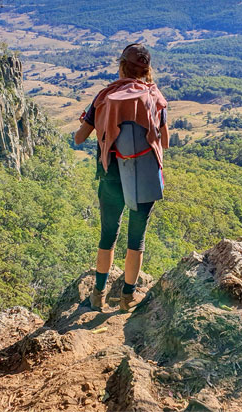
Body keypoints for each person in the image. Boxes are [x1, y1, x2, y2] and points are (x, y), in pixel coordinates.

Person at [73, 43, 169, 312]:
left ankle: (98, 294)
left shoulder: (104, 97)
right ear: (147, 70)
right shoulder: (155, 97)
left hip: (110, 174)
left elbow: (80, 137)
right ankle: (127, 297)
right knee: (136, 238)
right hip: (143, 175)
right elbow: (166, 140)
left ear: (122, 66)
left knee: (108, 235)